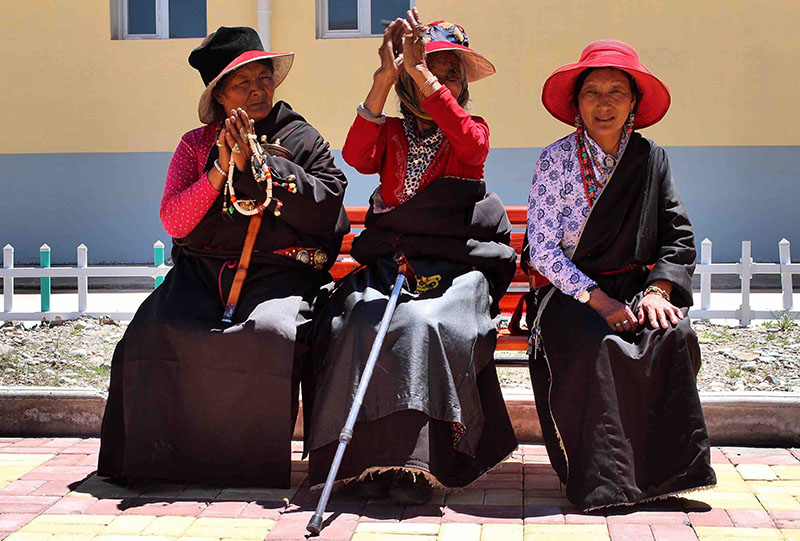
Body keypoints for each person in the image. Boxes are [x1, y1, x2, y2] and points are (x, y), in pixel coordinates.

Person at [98, 26, 349, 487]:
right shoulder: (194, 145)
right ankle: (161, 462)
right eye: (243, 82)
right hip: (201, 275)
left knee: (270, 332)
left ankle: (247, 468)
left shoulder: (301, 138)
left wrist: (262, 166)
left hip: (278, 275)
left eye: (264, 77)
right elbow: (176, 221)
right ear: (219, 95)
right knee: (153, 329)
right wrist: (221, 166)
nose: (258, 90)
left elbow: (329, 204)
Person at [306, 10, 518, 505]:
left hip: (457, 271)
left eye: (449, 74)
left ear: (462, 86)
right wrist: (385, 75)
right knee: (360, 321)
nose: (436, 81)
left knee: (422, 324)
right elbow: (356, 157)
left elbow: (472, 148)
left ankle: (417, 466)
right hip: (394, 265)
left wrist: (420, 71)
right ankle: (364, 464)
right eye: (424, 71)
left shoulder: (471, 130)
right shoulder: (391, 134)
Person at [525, 40, 716, 511]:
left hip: (635, 287)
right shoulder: (554, 160)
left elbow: (677, 234)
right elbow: (542, 251)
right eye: (592, 92)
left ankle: (665, 478)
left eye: (617, 92)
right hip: (570, 292)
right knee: (599, 344)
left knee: (671, 335)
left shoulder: (650, 159)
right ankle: (605, 485)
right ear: (576, 104)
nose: (604, 104)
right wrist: (599, 301)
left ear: (634, 102)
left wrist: (658, 290)